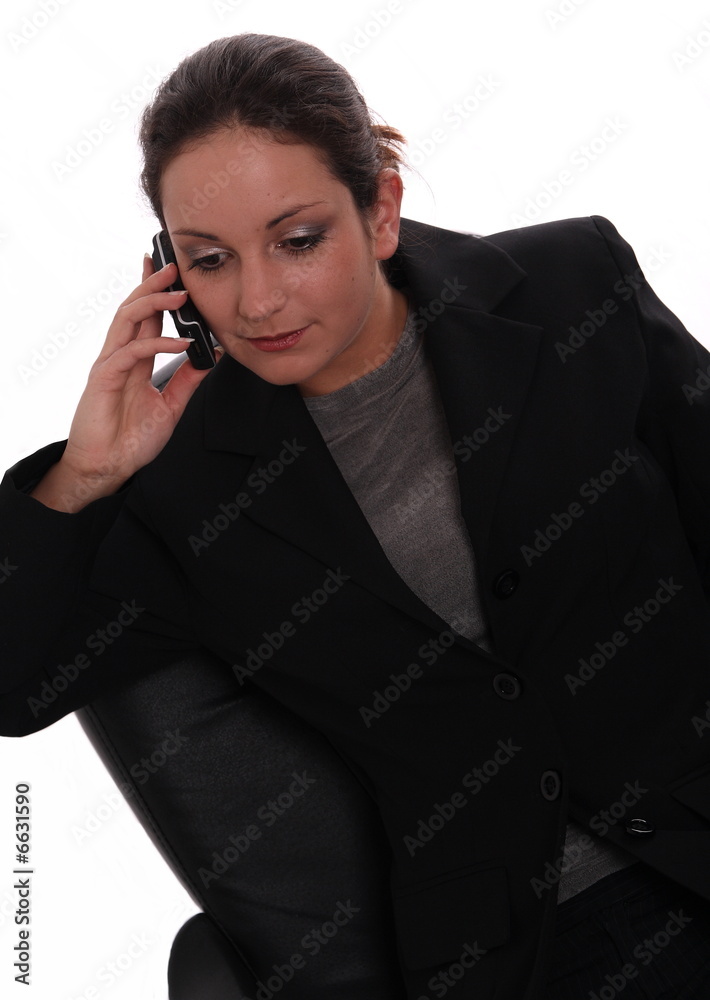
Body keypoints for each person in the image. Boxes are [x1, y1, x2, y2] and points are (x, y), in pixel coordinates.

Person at [2, 30, 710, 1000]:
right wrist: (82, 477)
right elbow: (15, 686)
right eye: (210, 259)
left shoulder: (569, 288)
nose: (258, 300)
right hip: (529, 953)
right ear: (168, 271)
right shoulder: (186, 482)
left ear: (379, 211)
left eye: (297, 240)